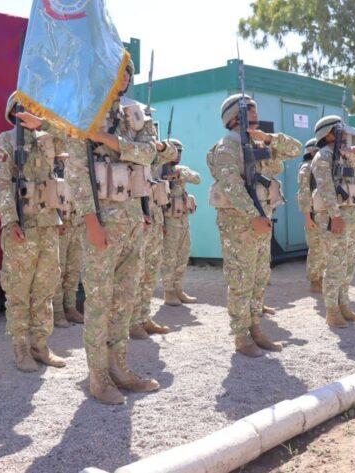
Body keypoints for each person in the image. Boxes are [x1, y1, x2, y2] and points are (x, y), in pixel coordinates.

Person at [22, 58, 162, 404]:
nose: (124, 76)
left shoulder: (136, 115)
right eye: (118, 69)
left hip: (132, 218)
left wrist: (107, 140)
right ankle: (98, 376)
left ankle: (120, 367)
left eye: (128, 71)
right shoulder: (84, 116)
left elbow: (150, 154)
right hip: (101, 220)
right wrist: (90, 222)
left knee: (124, 299)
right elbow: (77, 173)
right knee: (99, 301)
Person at [207, 94, 301, 357]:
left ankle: (256, 327)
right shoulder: (226, 147)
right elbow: (231, 185)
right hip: (239, 224)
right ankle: (241, 336)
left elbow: (295, 149)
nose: (255, 113)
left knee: (260, 277)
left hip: (261, 220)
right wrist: (252, 215)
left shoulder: (259, 144)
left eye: (255, 108)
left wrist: (268, 139)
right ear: (233, 117)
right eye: (249, 109)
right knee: (241, 279)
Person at [0, 96, 68, 372]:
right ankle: (21, 347)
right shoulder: (5, 141)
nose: (32, 112)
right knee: (19, 289)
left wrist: (45, 124)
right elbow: (1, 185)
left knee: (45, 287)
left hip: (47, 223)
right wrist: (10, 221)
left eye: (36, 108)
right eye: (25, 108)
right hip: (21, 226)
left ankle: (40, 345)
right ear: (14, 112)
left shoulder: (49, 140)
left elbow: (73, 140)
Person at [310, 116, 355, 327]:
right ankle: (332, 311)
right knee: (335, 265)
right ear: (327, 134)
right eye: (340, 131)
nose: (346, 135)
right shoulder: (323, 156)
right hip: (334, 219)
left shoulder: (346, 155)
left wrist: (354, 151)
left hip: (352, 217)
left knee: (349, 264)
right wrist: (335, 216)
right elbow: (325, 188)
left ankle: (344, 305)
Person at [129, 119, 178, 338]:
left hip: (155, 218)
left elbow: (172, 153)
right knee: (136, 272)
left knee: (150, 272)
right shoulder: (131, 149)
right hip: (138, 218)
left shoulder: (153, 153)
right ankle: (132, 322)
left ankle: (144, 317)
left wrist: (160, 145)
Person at [160, 138, 201, 306]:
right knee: (169, 256)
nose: (178, 155)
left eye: (180, 152)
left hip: (183, 219)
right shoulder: (157, 170)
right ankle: (168, 292)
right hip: (168, 221)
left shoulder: (181, 170)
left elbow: (197, 178)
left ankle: (178, 288)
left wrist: (179, 174)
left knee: (183, 254)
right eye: (175, 152)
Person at [52, 154, 85, 327]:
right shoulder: (52, 161)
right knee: (59, 270)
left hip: (77, 222)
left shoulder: (78, 160)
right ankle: (57, 312)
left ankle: (70, 307)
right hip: (61, 224)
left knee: (74, 269)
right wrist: (56, 220)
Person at [297, 138, 326, 292]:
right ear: (312, 152)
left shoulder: (320, 167)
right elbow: (303, 194)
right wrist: (308, 218)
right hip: (313, 214)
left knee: (324, 248)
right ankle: (314, 280)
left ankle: (321, 277)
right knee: (316, 249)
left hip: (323, 213)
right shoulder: (307, 168)